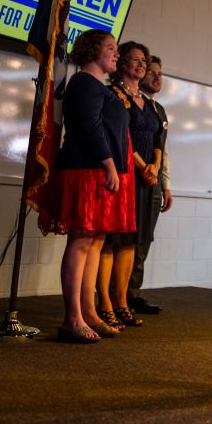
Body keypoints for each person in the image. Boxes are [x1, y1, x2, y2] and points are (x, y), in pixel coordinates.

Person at [46, 29, 135, 343]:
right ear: (92, 50)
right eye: (110, 48)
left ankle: (89, 313)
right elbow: (89, 126)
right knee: (82, 240)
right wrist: (108, 162)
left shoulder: (100, 86)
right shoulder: (84, 82)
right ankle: (72, 318)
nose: (116, 53)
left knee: (95, 242)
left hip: (99, 169)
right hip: (86, 168)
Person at [97, 41, 165, 330]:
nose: (141, 65)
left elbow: (159, 140)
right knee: (112, 241)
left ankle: (122, 301)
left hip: (147, 179)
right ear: (121, 62)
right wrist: (141, 166)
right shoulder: (114, 95)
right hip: (124, 175)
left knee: (132, 242)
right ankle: (105, 303)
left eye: (144, 61)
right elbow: (120, 135)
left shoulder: (150, 103)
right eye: (135, 60)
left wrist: (155, 167)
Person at [127, 55, 172, 314]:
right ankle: (114, 296)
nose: (157, 77)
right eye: (151, 72)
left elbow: (163, 151)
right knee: (124, 240)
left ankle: (133, 294)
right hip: (132, 177)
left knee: (144, 239)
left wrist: (165, 185)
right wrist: (144, 167)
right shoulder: (127, 102)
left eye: (160, 73)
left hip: (154, 182)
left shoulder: (159, 111)